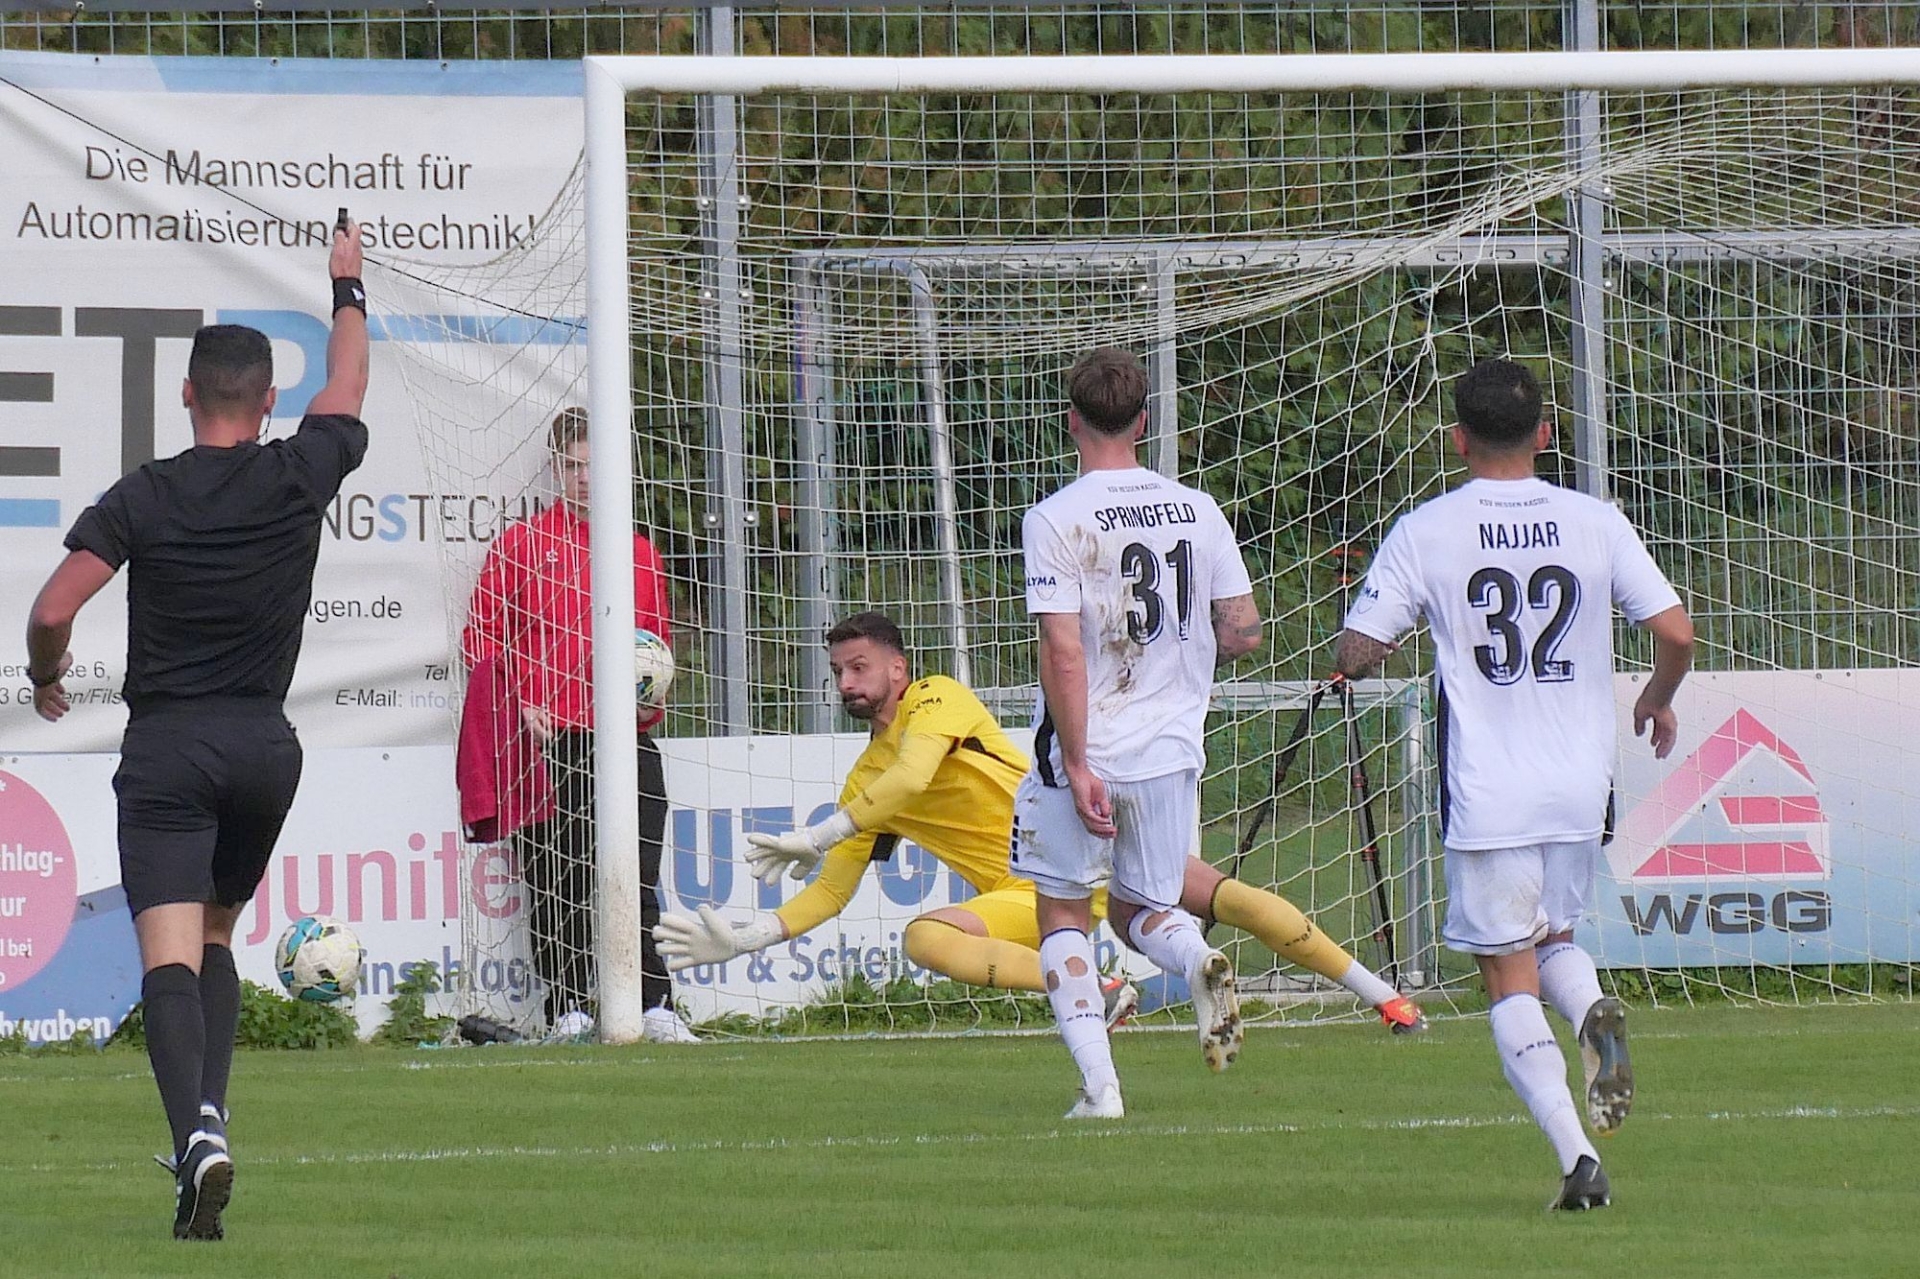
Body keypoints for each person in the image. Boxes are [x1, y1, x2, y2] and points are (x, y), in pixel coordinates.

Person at [24, 222, 370, 1240]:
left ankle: (194, 1138)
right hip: (264, 751)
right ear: (268, 401)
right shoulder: (298, 470)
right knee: (218, 932)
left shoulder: (146, 493)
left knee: (169, 957)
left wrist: (47, 675)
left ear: (185, 394)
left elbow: (52, 608)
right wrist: (346, 286)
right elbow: (349, 382)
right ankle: (210, 1125)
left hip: (170, 752)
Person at [655, 611, 1423, 1042]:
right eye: (837, 673)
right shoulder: (864, 780)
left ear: (898, 668)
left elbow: (913, 775)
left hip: (1074, 850)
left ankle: (1384, 996)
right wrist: (747, 937)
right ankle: (1111, 988)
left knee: (1231, 897)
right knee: (928, 938)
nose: (847, 683)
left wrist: (821, 831)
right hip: (1031, 889)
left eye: (859, 667)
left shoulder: (937, 697)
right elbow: (830, 894)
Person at [1333, 357, 1693, 1210]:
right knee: (1553, 935)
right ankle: (1593, 1007)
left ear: (1458, 439)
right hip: (1580, 783)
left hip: (1489, 787)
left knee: (1505, 972)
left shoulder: (1429, 529)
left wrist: (1369, 639)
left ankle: (1578, 1159)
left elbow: (1358, 650)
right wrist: (1657, 696)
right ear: (1545, 434)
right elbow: (1677, 632)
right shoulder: (1594, 519)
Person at [1016, 346, 1265, 1119]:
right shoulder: (1198, 509)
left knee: (1064, 912)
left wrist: (1076, 762)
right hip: (1168, 749)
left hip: (1090, 746)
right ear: (1145, 422)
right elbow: (1244, 630)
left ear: (1071, 421)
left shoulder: (1055, 517)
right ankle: (1196, 957)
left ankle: (1102, 1087)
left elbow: (1063, 649)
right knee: (1140, 911)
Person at [460, 407, 696, 1044]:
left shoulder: (640, 553)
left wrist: (649, 703)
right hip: (547, 743)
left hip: (625, 739)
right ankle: (568, 1009)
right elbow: (481, 641)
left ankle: (655, 1006)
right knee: (555, 882)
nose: (585, 478)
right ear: (556, 469)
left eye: (595, 466)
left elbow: (656, 649)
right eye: (572, 466)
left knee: (637, 877)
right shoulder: (520, 546)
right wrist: (519, 703)